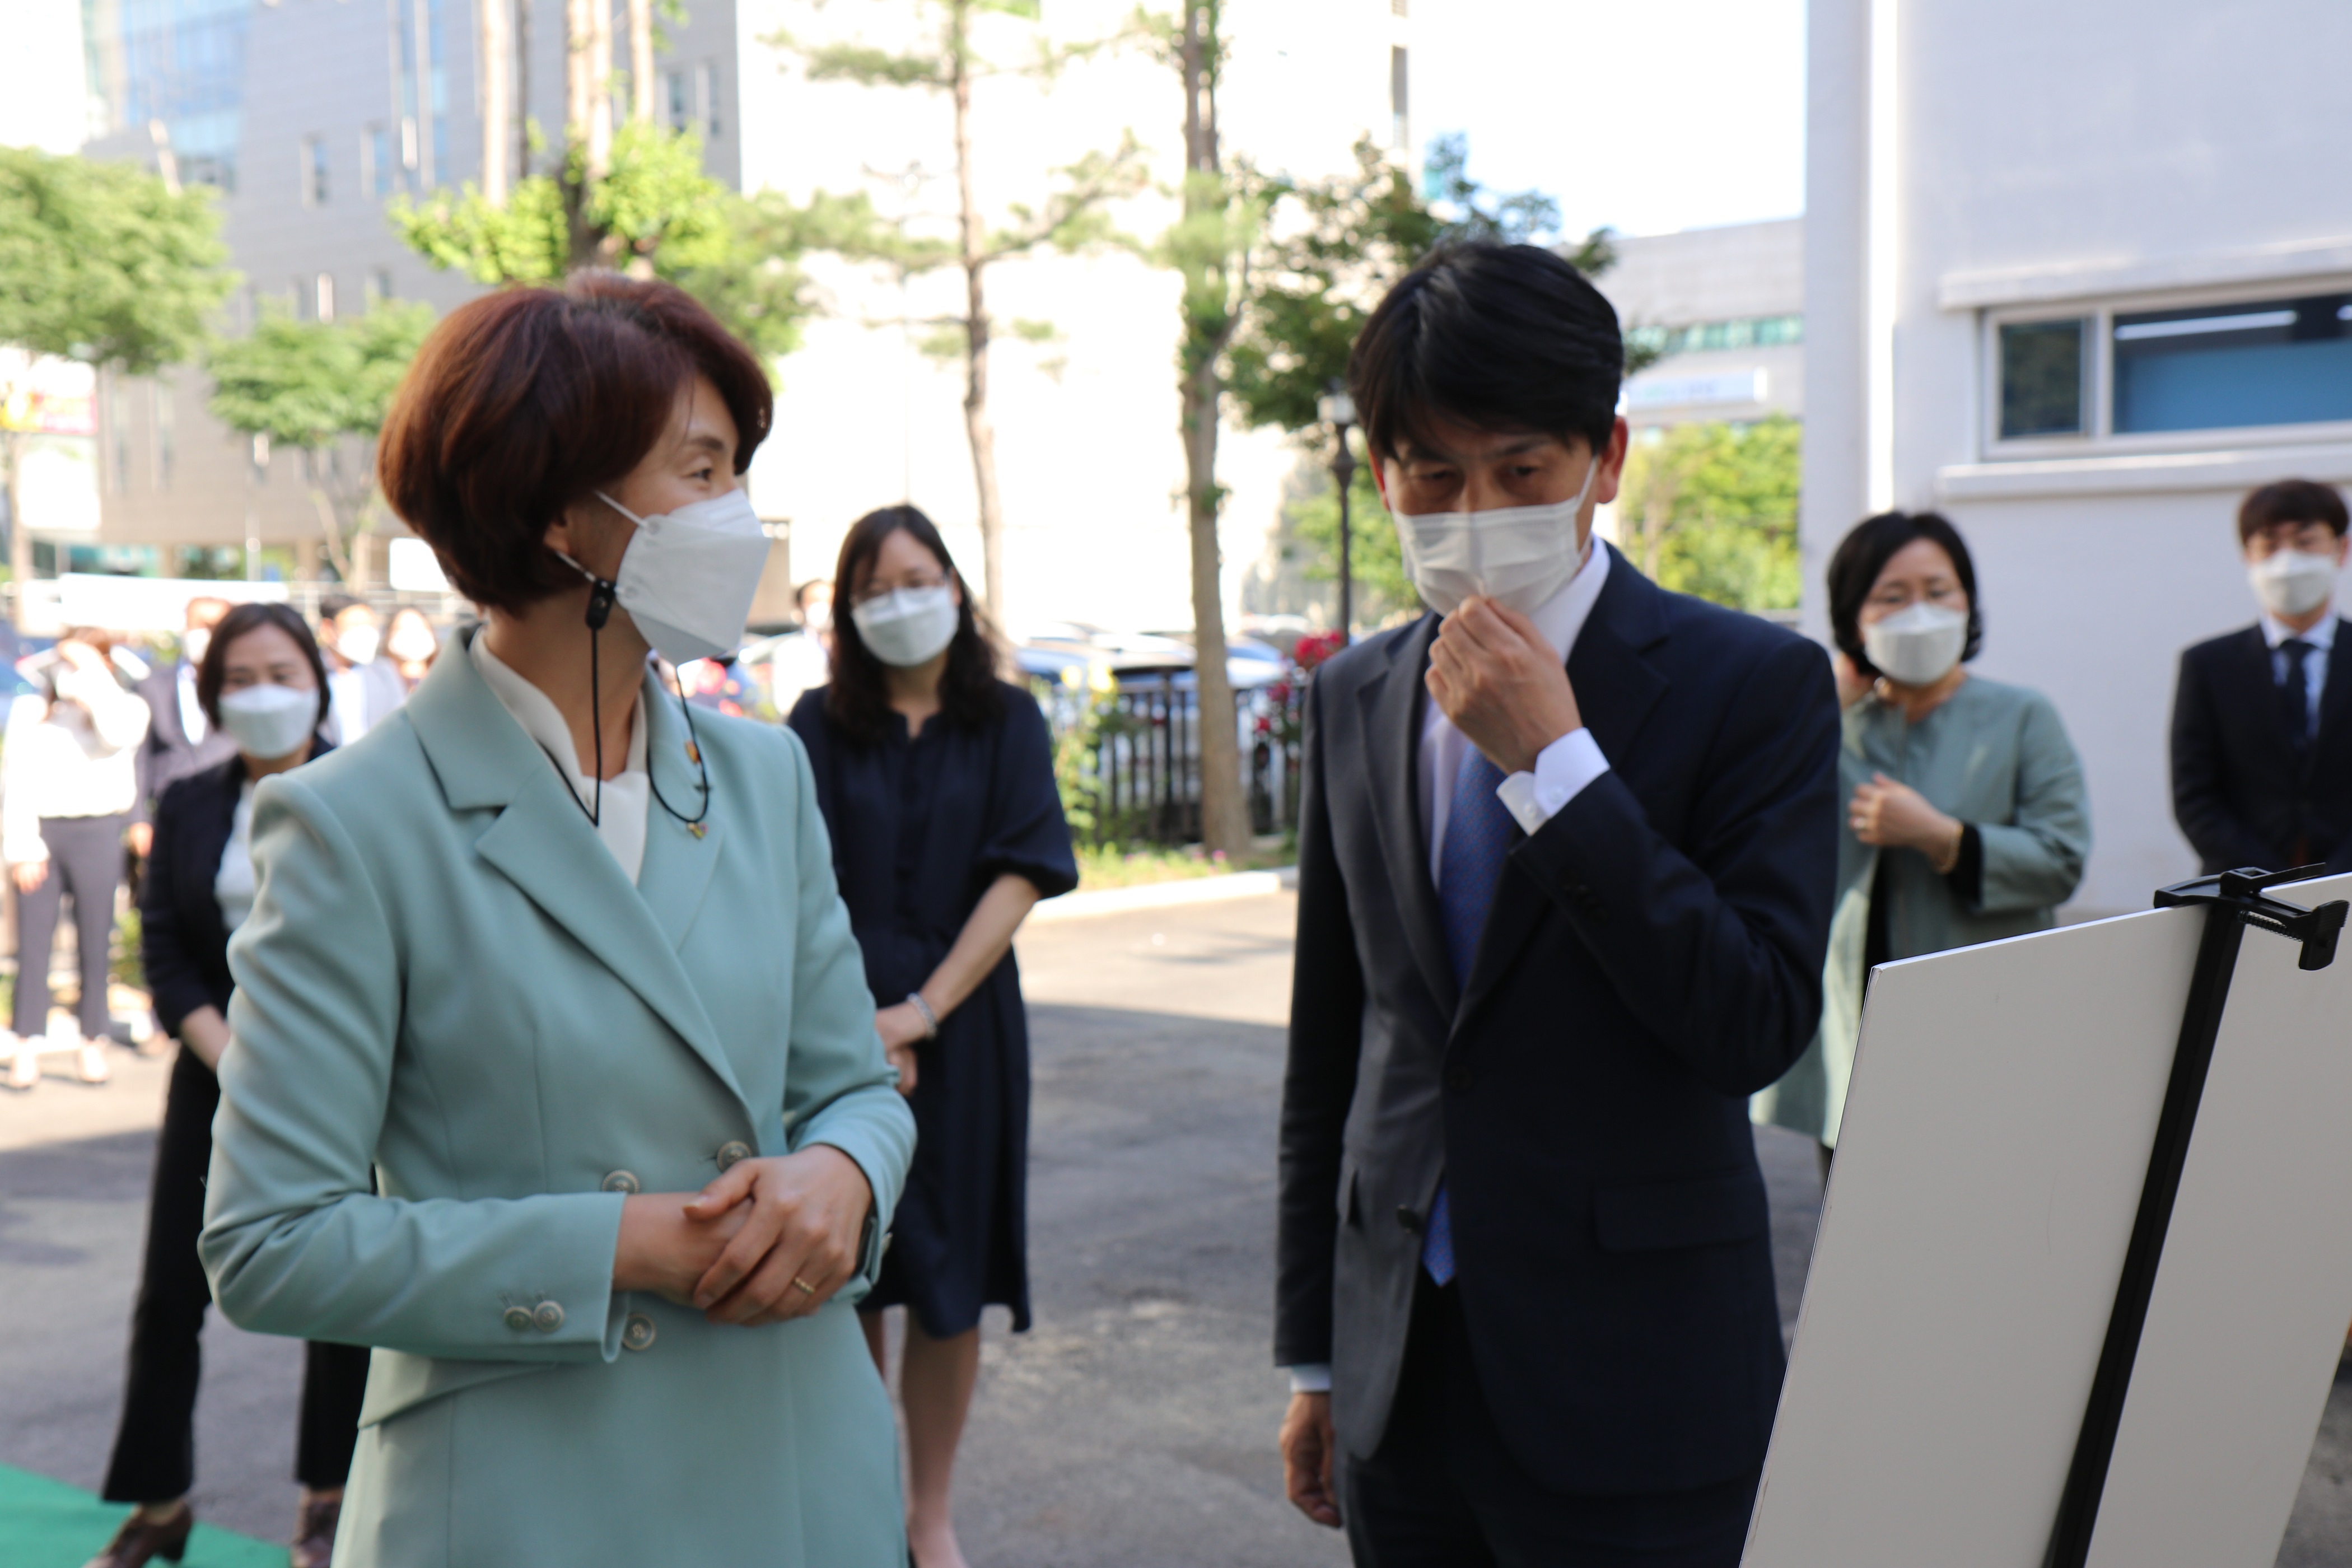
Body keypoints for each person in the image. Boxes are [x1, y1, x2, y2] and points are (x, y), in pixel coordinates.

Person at [195, 275, 916, 1567]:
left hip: (801, 1467)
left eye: (738, 471)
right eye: (702, 469)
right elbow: (271, 1243)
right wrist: (622, 1246)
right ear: (560, 512)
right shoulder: (354, 821)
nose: (738, 515)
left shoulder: (763, 774)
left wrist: (847, 1174)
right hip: (526, 1501)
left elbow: (854, 1088)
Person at [1273, 241, 1840, 1567]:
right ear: (1382, 476)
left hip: (1636, 1381)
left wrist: (1559, 766)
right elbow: (1334, 1050)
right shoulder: (1356, 692)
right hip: (1401, 1373)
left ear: (1607, 458)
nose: (1476, 512)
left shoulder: (1752, 685)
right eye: (1433, 477)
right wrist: (1316, 1355)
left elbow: (1754, 1021)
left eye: (1521, 470)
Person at [788, 508, 1076, 1568]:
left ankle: (930, 1516)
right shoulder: (816, 724)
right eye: (872, 591)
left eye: (915, 580)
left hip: (965, 1032)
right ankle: (863, 1505)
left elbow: (1021, 873)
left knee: (951, 1282)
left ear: (954, 587)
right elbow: (795, 884)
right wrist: (856, 1031)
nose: (897, 604)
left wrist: (919, 1014)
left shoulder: (1008, 719)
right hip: (832, 1036)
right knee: (850, 1270)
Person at [85, 601, 368, 1568]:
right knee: (172, 1292)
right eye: (239, 680)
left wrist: (305, 1064)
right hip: (217, 1075)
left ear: (319, 684)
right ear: (210, 697)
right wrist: (235, 1060)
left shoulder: (369, 792)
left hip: (344, 1079)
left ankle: (329, 1499)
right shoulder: (190, 801)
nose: (263, 695)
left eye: (282, 674)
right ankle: (159, 1502)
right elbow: (165, 954)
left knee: (343, 1286)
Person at [1752, 511, 2090, 1173]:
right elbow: (1748, 827)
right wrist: (1821, 709)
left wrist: (1944, 838)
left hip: (1984, 1021)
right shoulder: (1827, 722)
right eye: (1892, 596)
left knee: (1982, 1204)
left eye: (1939, 591)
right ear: (1854, 617)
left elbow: (2061, 859)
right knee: (1858, 1213)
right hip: (1851, 1029)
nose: (1920, 613)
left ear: (1968, 601)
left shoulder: (2022, 716)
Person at [2172, 479, 2352, 876]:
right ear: (2247, 557)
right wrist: (2268, 881)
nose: (2288, 561)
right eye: (2270, 544)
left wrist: (2336, 880)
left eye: (2305, 541)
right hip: (2244, 891)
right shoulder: (2208, 665)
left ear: (2342, 549)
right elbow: (2194, 795)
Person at [3, 628, 151, 1090]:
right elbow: (15, 780)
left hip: (99, 832)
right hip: (43, 835)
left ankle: (93, 1041)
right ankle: (26, 1043)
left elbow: (119, 734)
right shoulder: (32, 710)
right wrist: (22, 847)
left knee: (95, 941)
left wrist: (92, 676)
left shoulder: (126, 707)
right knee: (34, 946)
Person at [130, 595, 237, 861]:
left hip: (229, 812)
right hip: (169, 816)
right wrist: (138, 820)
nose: (206, 634)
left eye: (214, 627)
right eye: (199, 625)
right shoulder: (153, 685)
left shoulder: (240, 685)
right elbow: (140, 757)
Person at [315, 595, 405, 744]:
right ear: (328, 629)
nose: (366, 633)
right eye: (355, 625)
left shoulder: (384, 672)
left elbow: (398, 723)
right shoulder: (311, 673)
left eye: (371, 625)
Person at [771, 578, 836, 711]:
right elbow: (786, 704)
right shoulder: (789, 651)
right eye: (816, 601)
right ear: (800, 606)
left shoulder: (852, 645)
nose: (825, 606)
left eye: (830, 601)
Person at [381, 605, 441, 691]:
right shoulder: (379, 683)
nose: (412, 636)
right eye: (402, 629)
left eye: (419, 628)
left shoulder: (446, 680)